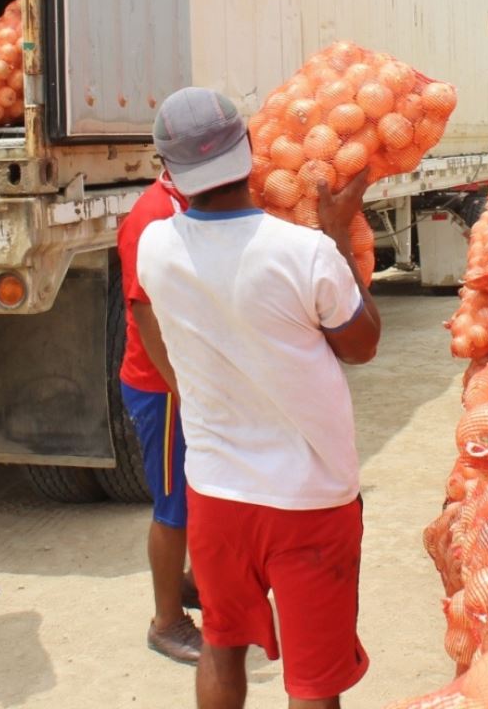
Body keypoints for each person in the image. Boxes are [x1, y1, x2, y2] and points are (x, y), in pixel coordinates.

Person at [134, 88, 382, 709]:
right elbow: (362, 345)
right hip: (309, 501)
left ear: (169, 171)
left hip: (216, 495)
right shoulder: (306, 253)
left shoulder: (155, 248)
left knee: (220, 644)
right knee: (313, 681)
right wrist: (339, 236)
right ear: (249, 149)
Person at [116, 170, 206, 664]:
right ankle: (166, 621)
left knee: (195, 495)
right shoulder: (152, 217)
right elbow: (144, 311)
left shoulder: (188, 202)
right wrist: (181, 387)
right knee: (172, 506)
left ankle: (188, 584)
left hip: (184, 381)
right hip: (162, 386)